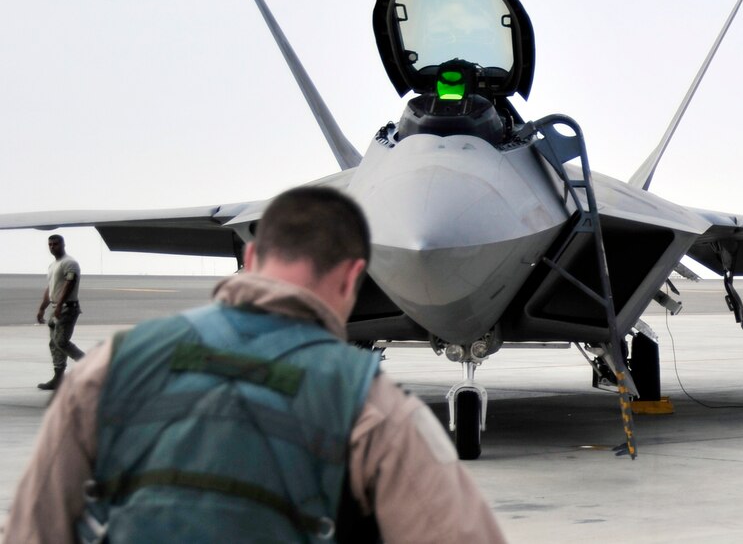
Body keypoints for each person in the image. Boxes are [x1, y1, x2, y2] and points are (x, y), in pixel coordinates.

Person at [5, 187, 506, 543]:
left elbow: (34, 527)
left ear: (250, 253)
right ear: (356, 275)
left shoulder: (111, 366)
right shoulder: (372, 410)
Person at [35, 234, 84, 390]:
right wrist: (43, 307)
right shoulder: (53, 265)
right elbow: (51, 288)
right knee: (54, 344)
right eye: (50, 244)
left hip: (68, 308)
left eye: (55, 244)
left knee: (61, 341)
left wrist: (60, 303)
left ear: (63, 245)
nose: (52, 247)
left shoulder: (70, 263)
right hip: (56, 307)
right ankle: (58, 377)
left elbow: (70, 283)